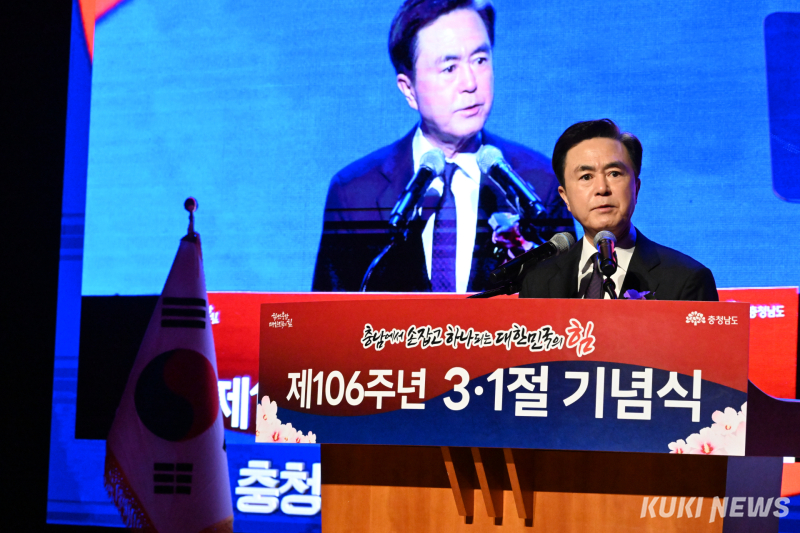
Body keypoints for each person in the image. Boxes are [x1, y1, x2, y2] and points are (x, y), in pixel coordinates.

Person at [312, 0, 574, 293]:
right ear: (408, 89)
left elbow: (567, 310)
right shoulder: (355, 193)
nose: (470, 83)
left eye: (480, 60)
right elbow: (327, 316)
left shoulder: (540, 184)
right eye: (449, 68)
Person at [520, 119, 718, 301]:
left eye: (614, 173)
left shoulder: (686, 279)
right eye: (586, 177)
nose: (602, 188)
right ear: (565, 197)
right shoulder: (537, 283)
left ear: (636, 188)